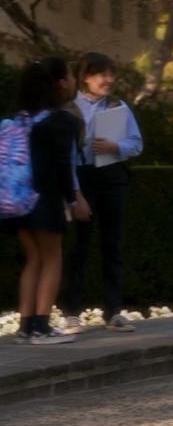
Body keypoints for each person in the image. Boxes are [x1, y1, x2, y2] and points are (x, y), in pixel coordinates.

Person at [1, 57, 91, 345]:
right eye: (69, 75)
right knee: (53, 259)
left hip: (17, 200)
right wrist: (73, 199)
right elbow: (63, 167)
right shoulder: (61, 121)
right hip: (45, 199)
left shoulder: (20, 119)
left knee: (33, 260)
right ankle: (42, 327)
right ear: (60, 83)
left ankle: (26, 327)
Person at [62, 52, 143, 333]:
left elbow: (136, 143)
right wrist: (74, 191)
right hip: (82, 177)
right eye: (102, 75)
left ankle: (114, 311)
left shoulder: (118, 106)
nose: (108, 80)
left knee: (113, 245)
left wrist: (114, 147)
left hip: (112, 176)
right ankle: (72, 313)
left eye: (111, 75)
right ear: (86, 76)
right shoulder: (69, 109)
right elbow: (65, 155)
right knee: (78, 246)